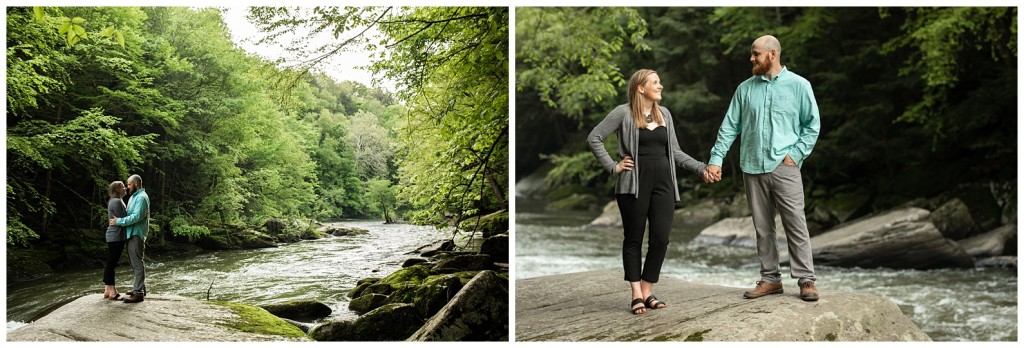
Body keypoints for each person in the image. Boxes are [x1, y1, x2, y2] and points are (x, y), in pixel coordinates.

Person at [704, 35, 821, 302]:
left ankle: (806, 280)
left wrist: (796, 155)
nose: (752, 58)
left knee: (795, 224)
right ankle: (770, 279)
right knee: (762, 227)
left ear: (772, 54)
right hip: (752, 167)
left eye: (756, 54)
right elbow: (729, 126)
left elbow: (812, 125)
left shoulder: (799, 86)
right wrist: (716, 158)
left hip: (785, 167)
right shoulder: (745, 89)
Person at [588, 69, 715, 315]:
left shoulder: (664, 114)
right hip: (632, 184)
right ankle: (636, 294)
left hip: (664, 184)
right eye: (655, 82)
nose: (661, 86)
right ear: (640, 88)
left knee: (661, 238)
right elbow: (594, 138)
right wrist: (613, 167)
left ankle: (647, 289)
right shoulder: (622, 113)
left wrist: (701, 169)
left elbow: (675, 152)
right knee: (633, 238)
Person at [109, 174, 150, 303]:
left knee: (137, 263)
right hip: (131, 233)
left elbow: (137, 216)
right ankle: (139, 288)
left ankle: (138, 293)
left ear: (136, 184)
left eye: (129, 184)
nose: (127, 187)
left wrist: (118, 221)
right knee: (134, 263)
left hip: (136, 234)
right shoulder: (134, 197)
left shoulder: (142, 198)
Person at [102, 181, 128, 300]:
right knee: (111, 264)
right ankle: (112, 291)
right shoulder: (116, 202)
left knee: (110, 263)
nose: (125, 188)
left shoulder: (115, 200)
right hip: (116, 236)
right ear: (117, 190)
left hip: (114, 236)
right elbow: (124, 219)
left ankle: (107, 290)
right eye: (123, 187)